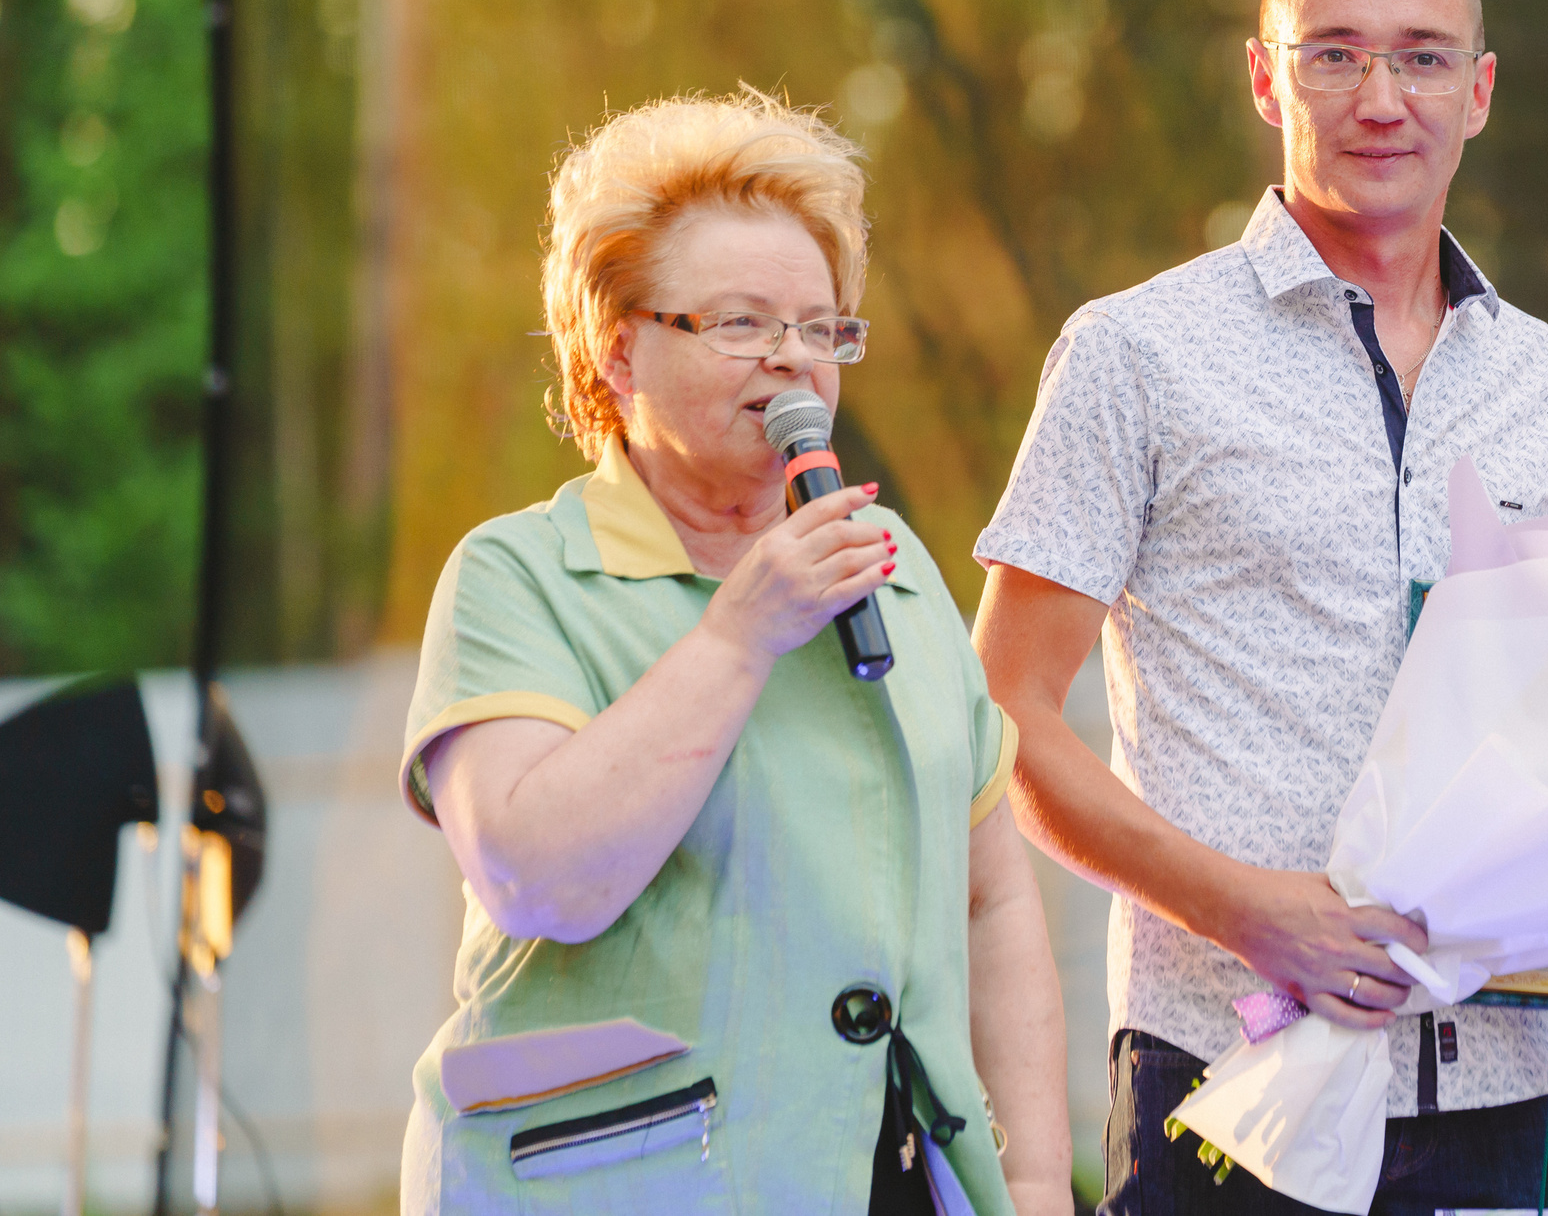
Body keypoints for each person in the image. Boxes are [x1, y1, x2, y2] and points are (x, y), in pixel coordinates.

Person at [974, 0, 1548, 1215]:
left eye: (1425, 55)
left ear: (1479, 91)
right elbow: (1003, 712)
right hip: (1228, 1074)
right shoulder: (1135, 351)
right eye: (1334, 52)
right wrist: (1248, 908)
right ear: (1268, 77)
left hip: (1493, 1088)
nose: (1383, 94)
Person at [396, 91, 1070, 1214]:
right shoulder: (518, 575)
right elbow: (540, 878)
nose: (794, 363)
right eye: (745, 324)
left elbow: (992, 900)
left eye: (821, 328)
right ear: (617, 354)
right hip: (618, 1184)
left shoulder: (890, 565)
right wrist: (743, 629)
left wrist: (1040, 1182)